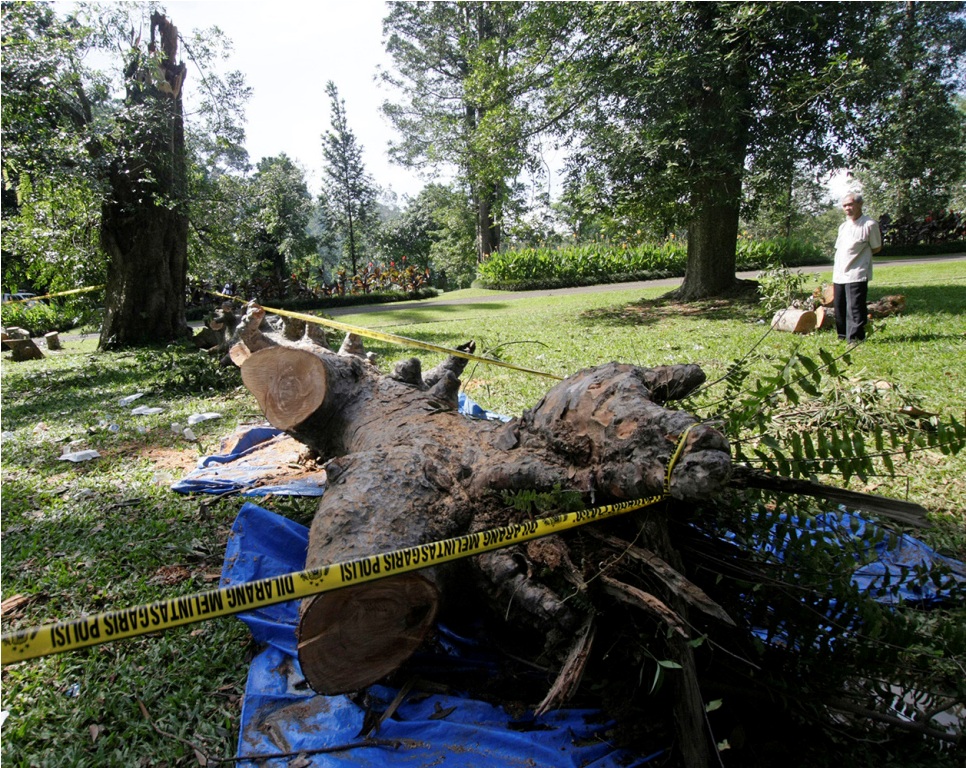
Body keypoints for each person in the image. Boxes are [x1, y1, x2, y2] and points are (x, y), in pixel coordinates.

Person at [833, 192, 882, 343]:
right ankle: (842, 336)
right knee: (840, 307)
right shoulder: (843, 226)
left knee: (855, 307)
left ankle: (856, 338)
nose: (847, 208)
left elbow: (876, 247)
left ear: (860, 205)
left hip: (857, 272)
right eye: (844, 206)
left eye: (850, 204)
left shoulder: (869, 224)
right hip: (840, 272)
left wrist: (860, 258)